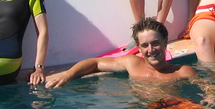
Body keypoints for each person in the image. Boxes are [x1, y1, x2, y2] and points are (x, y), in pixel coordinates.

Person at [45, 17, 195, 87]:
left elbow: (208, 90)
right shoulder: (132, 64)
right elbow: (95, 63)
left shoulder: (183, 71)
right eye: (145, 45)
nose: (150, 50)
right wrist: (68, 74)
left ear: (165, 42)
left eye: (155, 43)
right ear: (139, 47)